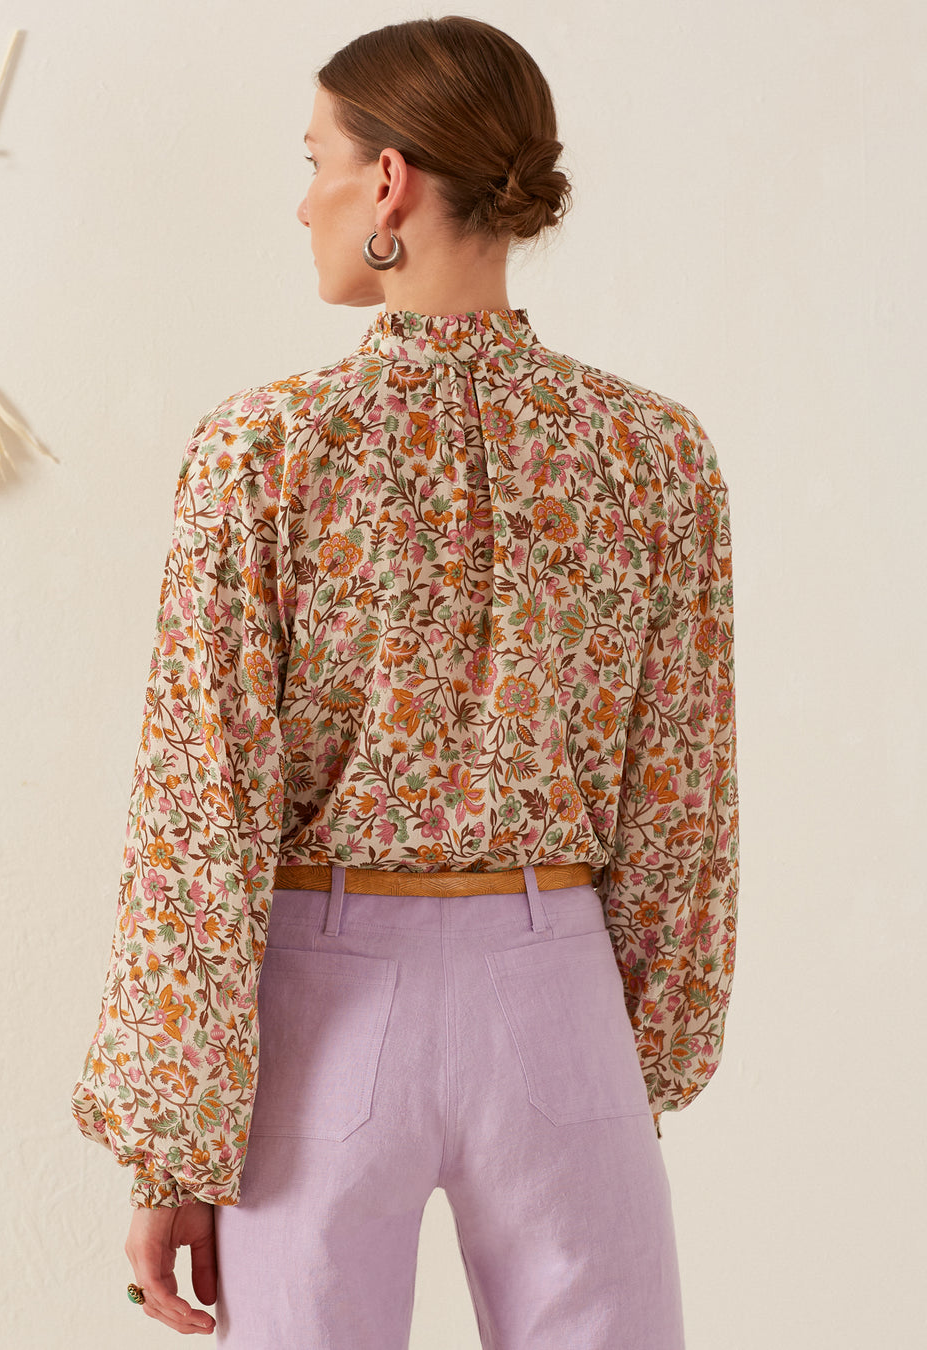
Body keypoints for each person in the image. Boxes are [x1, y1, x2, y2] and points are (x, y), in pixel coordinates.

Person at [70, 15, 738, 1347]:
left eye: (314, 156)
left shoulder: (261, 454)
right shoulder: (656, 455)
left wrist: (175, 1151)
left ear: (388, 183)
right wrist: (640, 1056)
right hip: (560, 992)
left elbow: (200, 824)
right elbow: (685, 813)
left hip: (326, 1005)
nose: (299, 195)